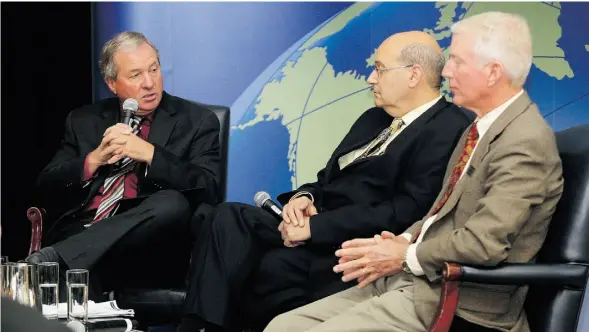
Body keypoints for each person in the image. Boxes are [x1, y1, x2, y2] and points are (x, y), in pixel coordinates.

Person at [265, 11, 565, 332]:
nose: (446, 71)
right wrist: (401, 240)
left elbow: (483, 244)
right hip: (413, 281)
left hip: (459, 301)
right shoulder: (478, 130)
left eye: (458, 62)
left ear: (492, 72)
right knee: (282, 326)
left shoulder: (525, 142)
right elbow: (441, 212)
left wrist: (405, 254)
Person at [179, 31, 474, 332]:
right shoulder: (373, 118)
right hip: (316, 225)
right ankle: (199, 327)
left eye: (380, 69)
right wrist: (304, 199)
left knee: (270, 267)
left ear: (413, 75)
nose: (371, 79)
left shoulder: (449, 128)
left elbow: (407, 211)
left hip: (352, 243)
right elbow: (327, 179)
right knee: (227, 217)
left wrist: (314, 229)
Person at [25, 31, 222, 300]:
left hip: (146, 247)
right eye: (135, 75)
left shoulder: (197, 121)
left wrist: (151, 154)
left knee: (173, 203)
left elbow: (208, 187)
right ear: (111, 83)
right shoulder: (84, 120)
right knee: (77, 290)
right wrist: (94, 160)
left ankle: (59, 258)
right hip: (82, 232)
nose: (150, 83)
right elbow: (45, 185)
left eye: (154, 69)